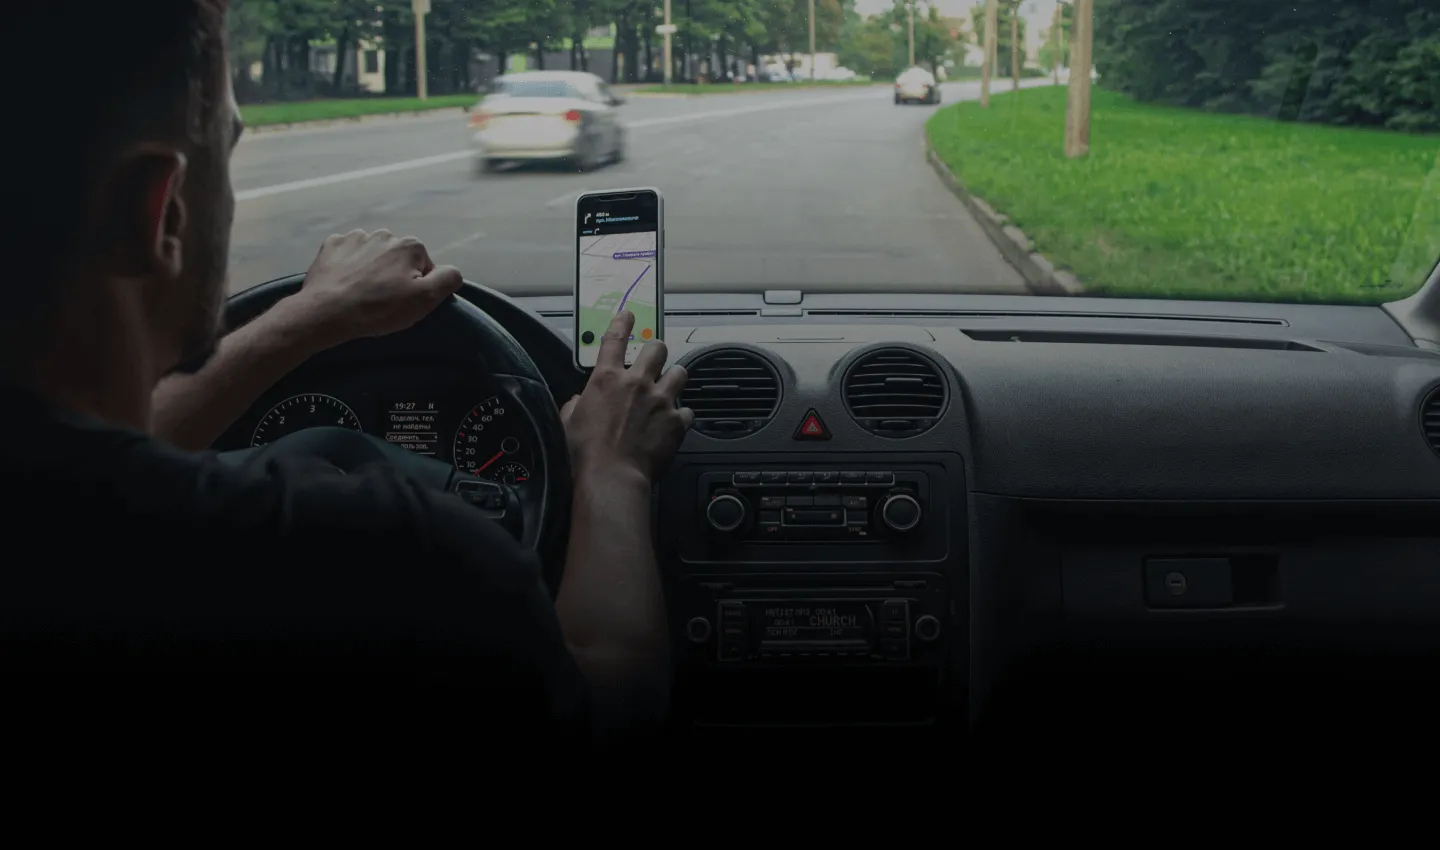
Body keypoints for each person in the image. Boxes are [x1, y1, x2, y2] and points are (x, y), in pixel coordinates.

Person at [0, 1, 692, 755]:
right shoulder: (397, 556)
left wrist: (314, 316)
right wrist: (611, 471)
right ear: (159, 213)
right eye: (226, 151)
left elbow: (103, 451)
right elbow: (611, 703)